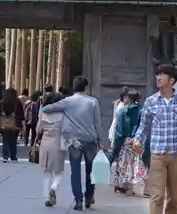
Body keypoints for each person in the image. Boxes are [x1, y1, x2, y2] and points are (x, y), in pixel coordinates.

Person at [134, 64, 177, 214]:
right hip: (158, 155)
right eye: (157, 74)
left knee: (174, 197)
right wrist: (137, 139)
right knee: (157, 196)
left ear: (171, 80)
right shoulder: (151, 101)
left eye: (162, 75)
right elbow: (144, 125)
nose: (157, 77)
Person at [43, 76, 103, 211]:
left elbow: (46, 109)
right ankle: (89, 197)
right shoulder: (93, 102)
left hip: (73, 140)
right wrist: (100, 140)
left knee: (75, 171)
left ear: (73, 87)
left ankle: (78, 200)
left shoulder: (67, 102)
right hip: (90, 140)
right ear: (86, 88)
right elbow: (98, 122)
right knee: (91, 171)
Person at [111, 89, 147, 195]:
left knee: (123, 163)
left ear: (129, 98)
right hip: (137, 140)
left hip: (125, 140)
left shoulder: (123, 111)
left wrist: (119, 141)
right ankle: (129, 187)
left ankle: (121, 185)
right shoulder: (142, 110)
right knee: (134, 163)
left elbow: (119, 129)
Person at [36, 95, 66, 207]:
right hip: (58, 144)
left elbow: (38, 130)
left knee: (46, 171)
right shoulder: (63, 115)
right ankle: (53, 188)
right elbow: (65, 130)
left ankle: (46, 197)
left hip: (45, 144)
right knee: (58, 171)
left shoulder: (43, 113)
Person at [0, 87, 25, 162]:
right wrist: (22, 124)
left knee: (5, 140)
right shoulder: (17, 102)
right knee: (13, 140)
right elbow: (21, 114)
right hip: (15, 125)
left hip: (4, 125)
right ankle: (13, 156)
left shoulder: (2, 102)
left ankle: (5, 156)